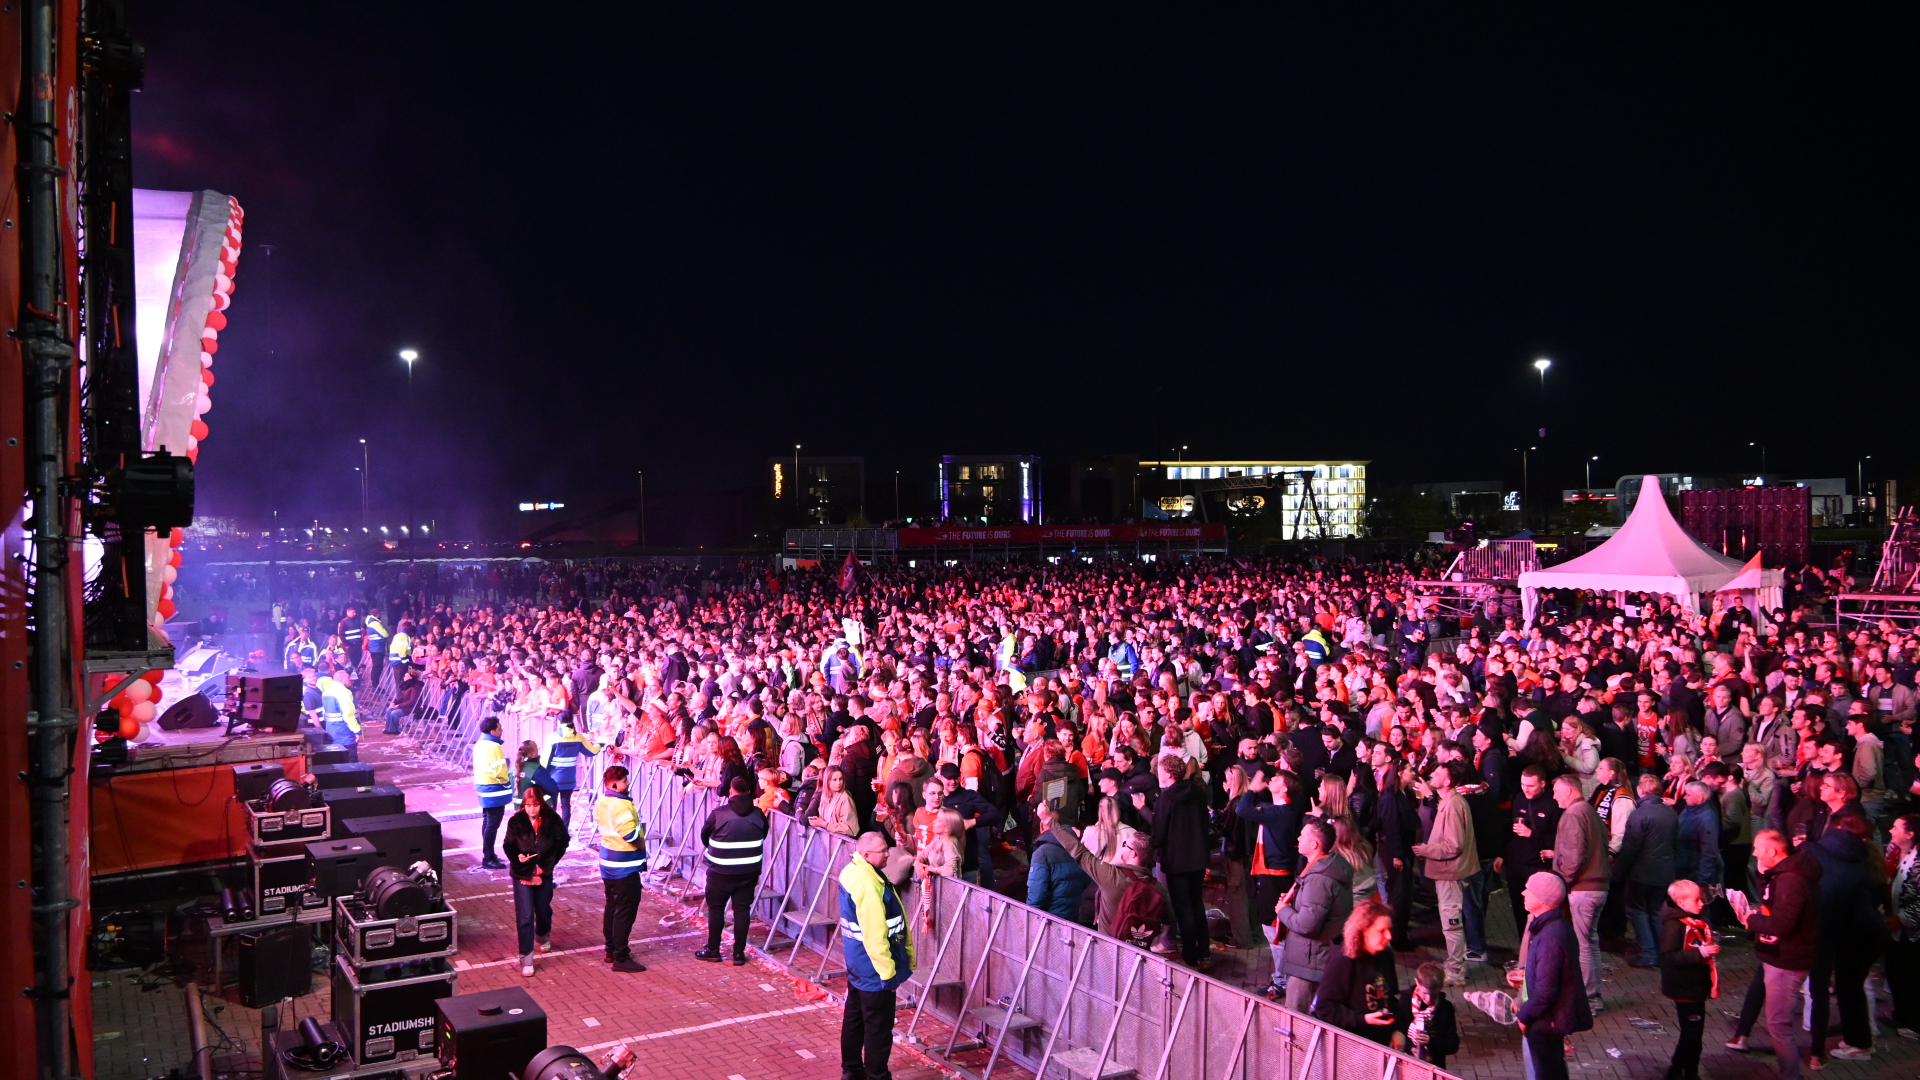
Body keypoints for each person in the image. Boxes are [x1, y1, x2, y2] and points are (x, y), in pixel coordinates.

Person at [1735, 829, 1820, 1080]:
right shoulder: (1785, 875)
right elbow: (1774, 904)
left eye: (1758, 849)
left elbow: (1783, 924)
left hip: (1787, 960)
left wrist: (1751, 920)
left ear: (1772, 851)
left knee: (1778, 1024)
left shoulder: (1790, 880)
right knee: (1777, 1022)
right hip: (1782, 956)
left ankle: (1792, 1076)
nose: (1754, 853)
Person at [839, 831, 914, 1080]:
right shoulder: (868, 883)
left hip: (857, 962)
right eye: (883, 850)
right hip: (875, 969)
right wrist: (888, 975)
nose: (888, 853)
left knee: (855, 1019)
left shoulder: (853, 871)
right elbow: (875, 934)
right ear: (867, 855)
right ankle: (877, 1076)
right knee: (878, 1029)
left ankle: (852, 1070)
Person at [1514, 871, 1592, 1080]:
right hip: (1549, 1018)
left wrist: (1524, 1016)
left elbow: (1546, 991)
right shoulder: (1550, 927)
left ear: (1542, 899)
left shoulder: (1551, 936)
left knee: (1547, 1073)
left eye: (1528, 890)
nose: (1523, 893)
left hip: (1547, 1020)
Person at [1274, 820, 1354, 1011]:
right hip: (1317, 955)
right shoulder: (1327, 868)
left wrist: (1283, 910)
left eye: (1302, 835)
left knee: (1295, 1020)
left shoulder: (1318, 879)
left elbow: (1307, 925)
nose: (1298, 838)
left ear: (1314, 844)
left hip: (1309, 961)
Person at [1547, 772, 1610, 1013]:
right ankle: (1592, 997)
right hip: (1598, 886)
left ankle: (1587, 1000)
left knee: (1583, 945)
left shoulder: (1573, 814)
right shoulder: (1590, 811)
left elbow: (1574, 856)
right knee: (1590, 943)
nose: (1554, 797)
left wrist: (1561, 883)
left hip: (1583, 888)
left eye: (1556, 792)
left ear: (1570, 791)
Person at [1410, 761, 1477, 984]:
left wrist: (1426, 850)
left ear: (1448, 781)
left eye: (1438, 772)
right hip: (1449, 872)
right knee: (1451, 920)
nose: (1433, 773)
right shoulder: (1450, 801)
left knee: (1451, 922)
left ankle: (1456, 970)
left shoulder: (1453, 805)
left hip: (1450, 873)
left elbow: (1453, 845)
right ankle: (1454, 963)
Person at [1149, 756, 1212, 968]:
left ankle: (1191, 956)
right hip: (1198, 858)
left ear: (1167, 773)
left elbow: (1159, 832)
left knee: (1183, 908)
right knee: (1197, 905)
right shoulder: (1197, 792)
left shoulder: (1166, 798)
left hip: (1176, 861)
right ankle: (1204, 952)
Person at [697, 775, 767, 965]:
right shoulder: (759, 814)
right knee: (742, 910)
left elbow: (705, 835)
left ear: (731, 791)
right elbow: (764, 834)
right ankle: (738, 953)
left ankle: (713, 950)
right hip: (748, 871)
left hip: (720, 870)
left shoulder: (719, 813)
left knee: (716, 909)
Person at [1309, 897, 1399, 1044]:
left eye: (1389, 930)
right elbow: (1325, 1008)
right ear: (1363, 931)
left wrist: (1397, 1029)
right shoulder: (1343, 961)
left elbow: (1392, 999)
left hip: (1381, 1042)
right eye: (1382, 931)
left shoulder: (1385, 954)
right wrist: (1362, 1019)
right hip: (1353, 1044)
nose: (1389, 936)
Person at [1614, 772, 1677, 968]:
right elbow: (1675, 844)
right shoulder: (1671, 814)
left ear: (1641, 791)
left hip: (1642, 872)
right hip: (1665, 872)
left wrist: (1618, 872)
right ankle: (1661, 950)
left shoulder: (1639, 815)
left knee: (1636, 910)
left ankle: (1649, 951)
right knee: (1656, 911)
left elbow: (1631, 847)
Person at [1657, 879, 1718, 1080]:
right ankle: (1679, 1072)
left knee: (1694, 1034)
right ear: (1682, 902)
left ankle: (1688, 1072)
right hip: (1685, 987)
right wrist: (1699, 954)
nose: (1702, 903)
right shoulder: (1674, 926)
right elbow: (1668, 957)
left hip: (1694, 986)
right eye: (1697, 899)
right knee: (1692, 1034)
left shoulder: (1693, 921)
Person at [504, 785, 568, 976]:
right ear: (524, 805)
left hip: (544, 873)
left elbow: (562, 842)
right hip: (522, 873)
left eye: (535, 805)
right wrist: (518, 857)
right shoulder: (516, 821)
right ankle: (526, 958)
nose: (532, 809)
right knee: (524, 916)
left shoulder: (553, 820)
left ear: (541, 804)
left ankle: (543, 934)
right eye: (528, 805)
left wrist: (548, 865)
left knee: (543, 909)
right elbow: (508, 845)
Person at [594, 764, 648, 973]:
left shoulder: (602, 801)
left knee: (612, 906)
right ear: (615, 784)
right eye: (625, 781)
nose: (628, 784)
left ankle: (610, 949)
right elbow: (631, 835)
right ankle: (621, 956)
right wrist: (641, 842)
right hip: (624, 866)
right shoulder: (620, 805)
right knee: (625, 910)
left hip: (608, 862)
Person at [1887, 813, 1920, 1040]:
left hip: (1912, 932)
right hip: (1896, 926)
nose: (1890, 831)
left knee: (1911, 975)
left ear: (1910, 834)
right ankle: (1902, 1014)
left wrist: (1902, 919)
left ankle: (1915, 1022)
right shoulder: (1897, 852)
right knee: (1896, 971)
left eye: (1896, 828)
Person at [1027, 812, 1092, 924]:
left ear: (1042, 826)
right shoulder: (1077, 847)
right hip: (1073, 914)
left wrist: (1030, 917)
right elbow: (1086, 881)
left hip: (1050, 919)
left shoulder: (1042, 853)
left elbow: (1036, 893)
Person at [1394, 962, 1459, 1069]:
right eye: (1425, 993)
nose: (1429, 1000)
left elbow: (1452, 1045)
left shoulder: (1445, 1008)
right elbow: (1398, 1032)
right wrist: (1410, 1048)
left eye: (1434, 995)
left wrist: (1431, 1041)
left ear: (1441, 986)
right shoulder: (1406, 1001)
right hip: (1407, 1064)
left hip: (1434, 1066)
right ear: (1417, 982)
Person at [542, 717, 602, 828]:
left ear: (559, 722)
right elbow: (591, 752)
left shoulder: (553, 738)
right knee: (566, 805)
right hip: (569, 778)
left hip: (552, 779)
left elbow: (544, 761)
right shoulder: (579, 737)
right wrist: (600, 745)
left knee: (551, 805)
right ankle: (564, 830)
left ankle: (551, 830)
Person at [472, 716, 513, 870]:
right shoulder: (494, 747)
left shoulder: (480, 744)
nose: (501, 730)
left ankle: (488, 854)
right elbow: (500, 771)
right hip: (494, 789)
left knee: (487, 822)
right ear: (492, 731)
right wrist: (507, 783)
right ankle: (488, 857)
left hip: (483, 787)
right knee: (492, 825)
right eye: (499, 728)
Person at [317, 666, 361, 762]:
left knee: (337, 761)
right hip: (345, 733)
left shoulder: (327, 691)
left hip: (331, 732)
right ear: (342, 679)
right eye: (348, 677)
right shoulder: (343, 693)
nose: (351, 680)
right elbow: (348, 715)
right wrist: (357, 731)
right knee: (351, 763)